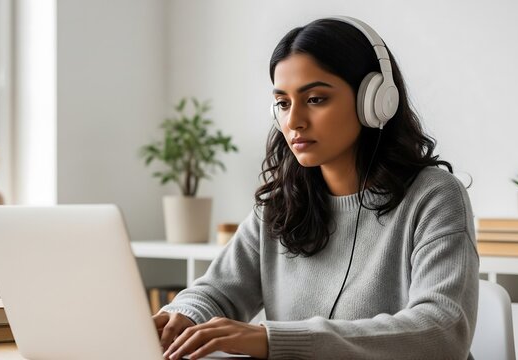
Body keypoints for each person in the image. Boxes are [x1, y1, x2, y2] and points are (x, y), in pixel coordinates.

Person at [153, 16, 479, 360]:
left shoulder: (435, 198)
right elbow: (218, 291)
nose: (293, 121)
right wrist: (181, 316)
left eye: (315, 99)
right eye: (283, 103)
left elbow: (442, 330)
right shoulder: (281, 205)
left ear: (374, 101)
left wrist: (271, 340)